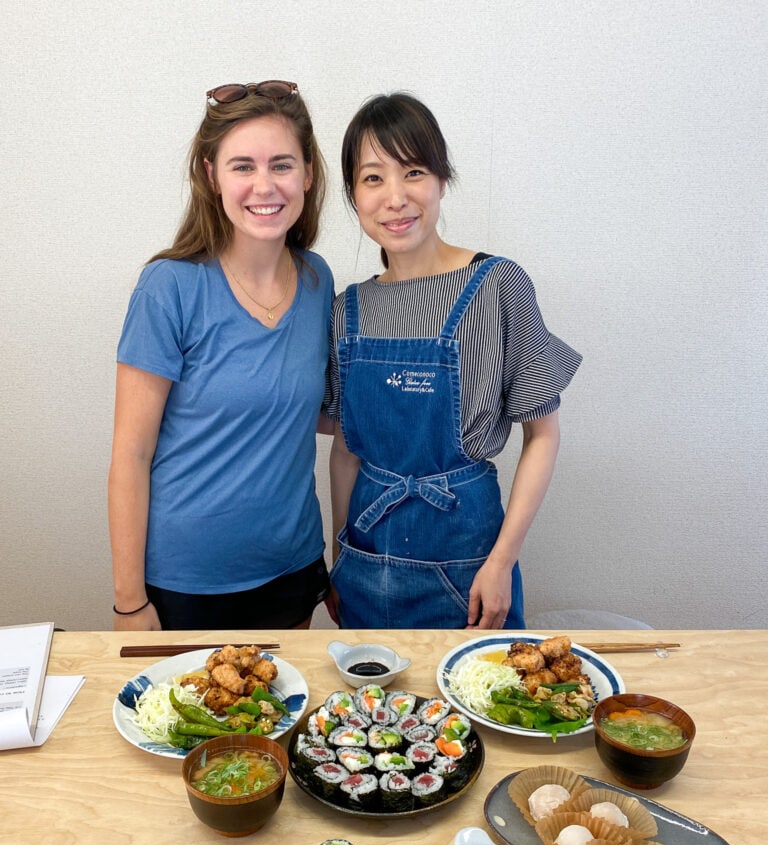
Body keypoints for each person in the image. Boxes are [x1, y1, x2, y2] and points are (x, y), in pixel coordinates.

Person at [327, 92, 582, 630]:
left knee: (477, 701)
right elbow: (348, 448)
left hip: (471, 562)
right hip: (366, 558)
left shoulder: (497, 286)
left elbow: (543, 435)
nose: (395, 198)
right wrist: (338, 551)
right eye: (373, 178)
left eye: (413, 171)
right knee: (375, 713)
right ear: (353, 195)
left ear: (442, 179)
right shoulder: (346, 310)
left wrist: (502, 561)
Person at [108, 81, 334, 630]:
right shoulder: (169, 287)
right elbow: (130, 455)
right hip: (184, 584)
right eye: (242, 166)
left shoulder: (317, 280)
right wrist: (129, 601)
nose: (264, 185)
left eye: (281, 164)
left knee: (293, 718)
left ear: (307, 173)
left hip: (292, 568)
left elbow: (308, 411)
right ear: (212, 176)